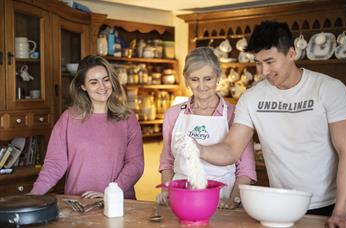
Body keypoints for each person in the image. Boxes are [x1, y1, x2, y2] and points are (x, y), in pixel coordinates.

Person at [196, 21, 346, 227]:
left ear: (291, 53)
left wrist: (341, 212)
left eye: (270, 61)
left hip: (328, 207)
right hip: (281, 206)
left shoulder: (329, 89)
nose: (263, 71)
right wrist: (198, 149)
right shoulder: (251, 98)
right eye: (257, 62)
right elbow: (230, 149)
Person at [31, 55, 144, 199]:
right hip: (78, 204)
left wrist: (110, 193)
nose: (102, 87)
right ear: (83, 86)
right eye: (94, 82)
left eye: (106, 80)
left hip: (118, 202)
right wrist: (33, 196)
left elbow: (135, 164)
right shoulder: (68, 118)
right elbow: (54, 164)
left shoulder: (128, 118)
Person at [158, 47, 257, 209]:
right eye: (195, 79)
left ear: (218, 77)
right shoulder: (173, 115)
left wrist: (234, 200)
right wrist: (167, 190)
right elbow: (167, 161)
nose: (201, 86)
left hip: (221, 200)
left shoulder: (235, 115)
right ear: (186, 79)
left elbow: (246, 169)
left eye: (208, 78)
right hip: (182, 196)